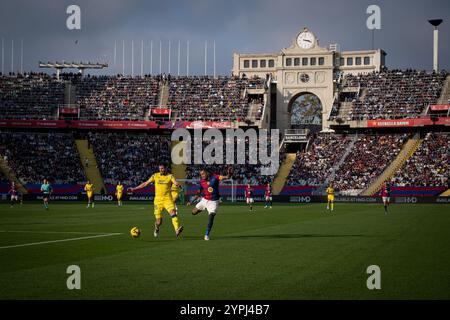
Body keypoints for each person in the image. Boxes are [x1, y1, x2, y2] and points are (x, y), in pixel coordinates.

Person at [129, 164, 183, 238]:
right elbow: (145, 183)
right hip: (158, 201)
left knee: (173, 213)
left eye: (162, 168)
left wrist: (178, 185)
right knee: (159, 221)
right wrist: (134, 189)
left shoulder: (170, 176)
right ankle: (156, 227)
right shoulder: (155, 176)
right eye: (160, 168)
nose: (161, 170)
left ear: (165, 168)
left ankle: (177, 229)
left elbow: (175, 182)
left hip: (168, 200)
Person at [187, 167, 233, 241]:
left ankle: (206, 234)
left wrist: (229, 174)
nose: (202, 175)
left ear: (207, 173)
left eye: (203, 174)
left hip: (213, 202)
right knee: (193, 212)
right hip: (205, 200)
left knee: (211, 217)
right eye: (201, 174)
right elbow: (198, 193)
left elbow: (226, 177)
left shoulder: (215, 177)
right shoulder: (202, 181)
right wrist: (191, 201)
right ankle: (203, 208)